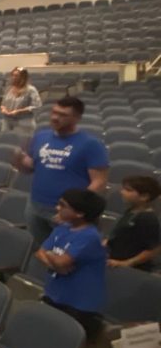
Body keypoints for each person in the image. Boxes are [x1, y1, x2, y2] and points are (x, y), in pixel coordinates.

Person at [37, 188, 108, 348]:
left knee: (82, 343)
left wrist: (53, 259)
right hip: (56, 291)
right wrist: (53, 259)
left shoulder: (89, 237)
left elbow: (60, 262)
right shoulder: (64, 228)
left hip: (82, 299)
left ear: (79, 213)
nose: (57, 208)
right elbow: (40, 251)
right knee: (56, 336)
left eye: (63, 205)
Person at [17, 96, 109, 246]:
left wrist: (73, 209)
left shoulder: (91, 144)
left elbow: (99, 182)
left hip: (69, 213)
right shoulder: (41, 136)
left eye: (63, 115)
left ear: (77, 118)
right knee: (43, 251)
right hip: (35, 206)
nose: (55, 117)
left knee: (72, 255)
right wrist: (19, 161)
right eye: (54, 112)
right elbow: (31, 167)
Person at [106, 176, 160, 271]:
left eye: (128, 190)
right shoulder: (131, 211)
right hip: (114, 261)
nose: (121, 192)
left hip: (131, 269)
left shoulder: (147, 218)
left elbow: (153, 249)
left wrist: (127, 263)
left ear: (144, 196)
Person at [0, 68, 42, 133]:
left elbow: (36, 106)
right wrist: (4, 109)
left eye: (16, 76)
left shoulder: (31, 90)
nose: (13, 77)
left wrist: (19, 111)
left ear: (23, 78)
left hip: (24, 123)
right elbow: (3, 104)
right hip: (7, 122)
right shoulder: (8, 88)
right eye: (12, 75)